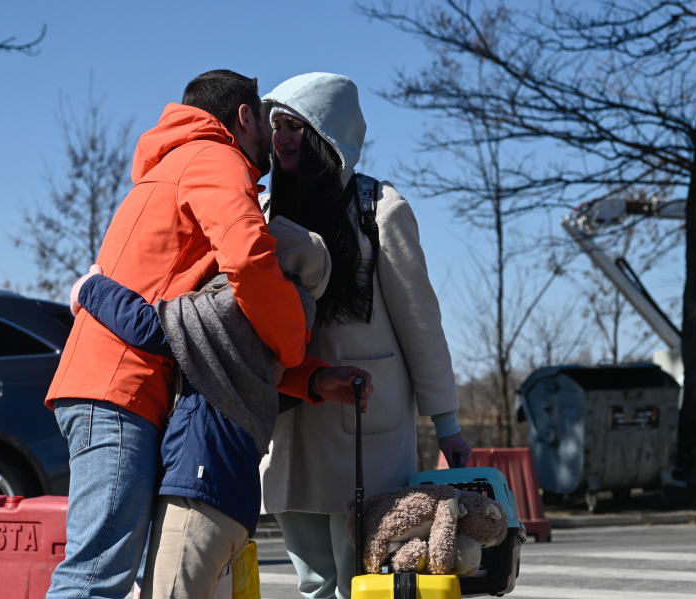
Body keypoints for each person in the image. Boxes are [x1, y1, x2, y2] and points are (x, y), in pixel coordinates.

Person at [45, 70, 315, 599]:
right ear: (243, 116)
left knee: (100, 572)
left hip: (109, 385)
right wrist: (293, 339)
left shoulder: (169, 168)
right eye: (265, 120)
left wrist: (312, 379)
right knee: (96, 577)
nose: (269, 137)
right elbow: (250, 260)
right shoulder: (215, 159)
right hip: (123, 389)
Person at [68, 216, 373, 599]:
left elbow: (152, 328)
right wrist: (316, 380)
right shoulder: (282, 332)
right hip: (231, 506)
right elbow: (273, 382)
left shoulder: (239, 311)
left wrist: (91, 288)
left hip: (200, 495)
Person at [258, 73, 473, 599]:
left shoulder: (382, 210)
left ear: (329, 135)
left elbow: (421, 322)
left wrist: (447, 423)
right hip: (290, 425)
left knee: (366, 574)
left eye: (296, 127)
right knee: (313, 583)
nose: (282, 138)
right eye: (276, 126)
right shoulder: (261, 213)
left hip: (363, 427)